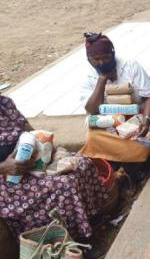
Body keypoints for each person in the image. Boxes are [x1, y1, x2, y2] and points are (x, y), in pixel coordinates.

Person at [0, 95, 113, 239]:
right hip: (7, 180)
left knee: (81, 163)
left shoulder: (4, 103)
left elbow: (30, 131)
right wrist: (4, 167)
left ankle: (93, 221)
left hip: (29, 163)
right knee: (64, 184)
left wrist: (44, 146)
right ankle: (74, 239)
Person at [79, 32, 150, 163]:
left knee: (143, 139)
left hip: (136, 118)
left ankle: (133, 165)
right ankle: (116, 164)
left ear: (113, 53)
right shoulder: (88, 76)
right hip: (109, 121)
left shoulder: (130, 65)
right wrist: (102, 79)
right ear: (89, 60)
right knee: (93, 137)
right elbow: (92, 110)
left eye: (106, 57)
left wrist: (147, 119)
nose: (102, 62)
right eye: (96, 60)